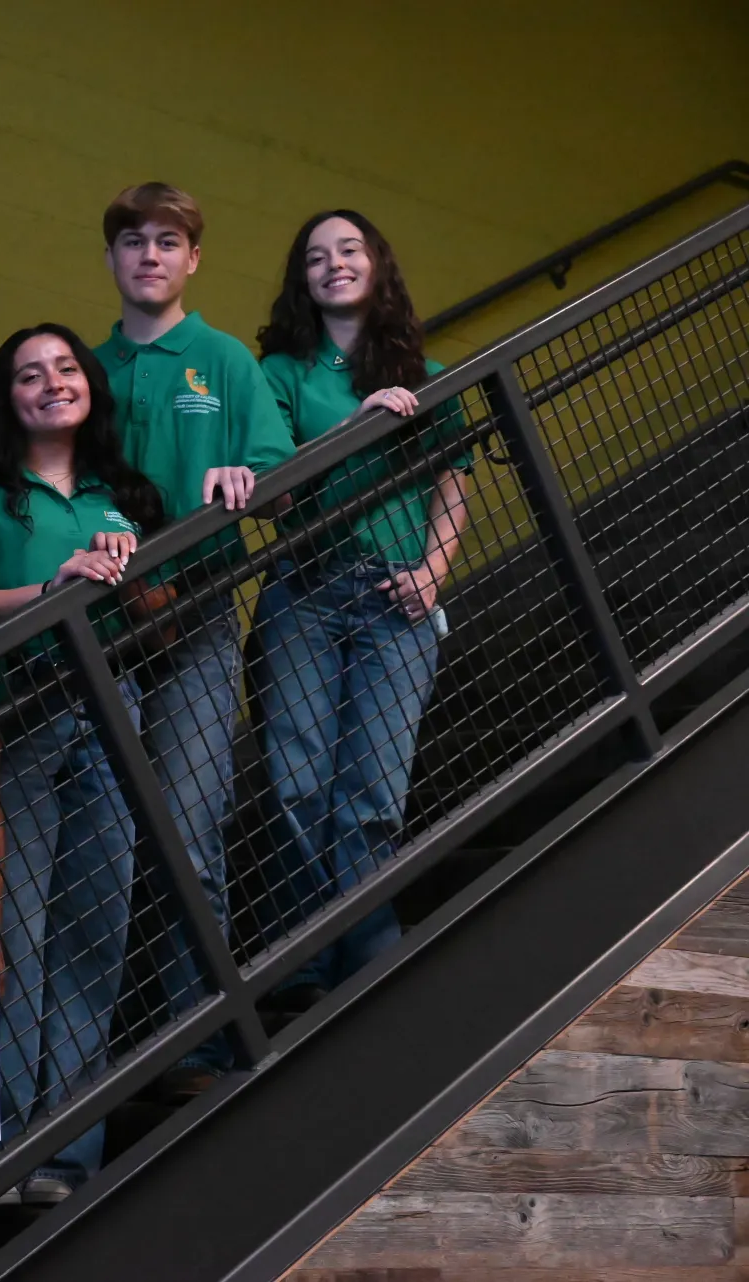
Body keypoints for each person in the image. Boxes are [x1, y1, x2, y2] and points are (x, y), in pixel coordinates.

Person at [0, 324, 165, 1204]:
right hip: (12, 717)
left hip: (111, 708)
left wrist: (137, 582)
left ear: (90, 387)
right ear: (8, 394)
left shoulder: (125, 490)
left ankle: (66, 1156)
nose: (51, 383)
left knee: (94, 935)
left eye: (66, 368)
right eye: (30, 374)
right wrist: (49, 592)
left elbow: (163, 612)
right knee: (11, 933)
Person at [92, 182, 296, 1103]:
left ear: (192, 259)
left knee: (190, 832)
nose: (149, 255)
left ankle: (194, 1042)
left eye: (167, 242)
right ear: (112, 260)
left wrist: (247, 476)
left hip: (203, 612)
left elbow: (281, 477)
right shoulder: (79, 372)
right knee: (93, 854)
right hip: (99, 626)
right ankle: (91, 1071)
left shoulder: (224, 361)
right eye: (132, 241)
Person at [254, 210, 469, 1017]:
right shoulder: (277, 374)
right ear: (302, 280)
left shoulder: (426, 371)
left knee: (372, 793)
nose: (333, 264)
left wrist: (434, 571)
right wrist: (359, 423)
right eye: (316, 256)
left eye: (348, 250)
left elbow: (455, 479)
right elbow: (271, 499)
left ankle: (367, 967)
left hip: (394, 597)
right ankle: (308, 959)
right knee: (296, 782)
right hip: (305, 589)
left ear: (377, 265)